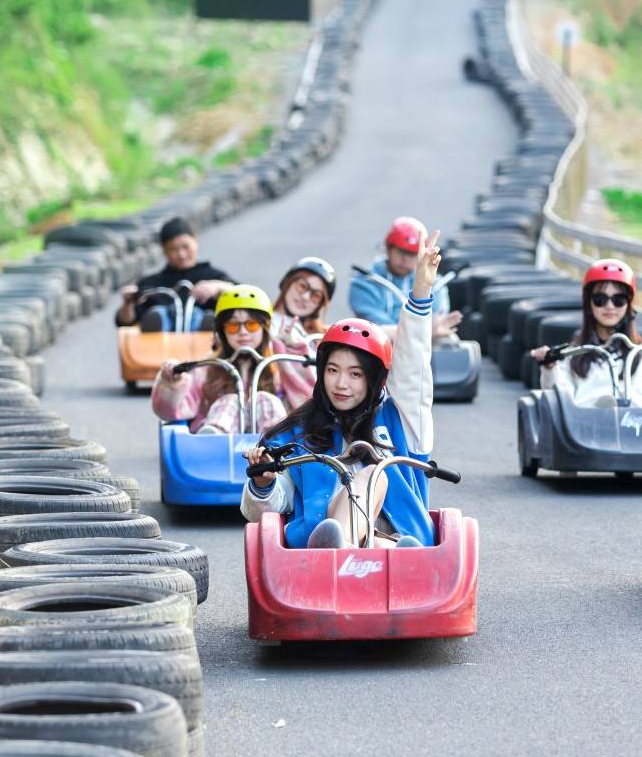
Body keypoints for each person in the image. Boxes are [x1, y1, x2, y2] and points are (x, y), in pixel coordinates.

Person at [242, 228, 443, 549]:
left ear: (374, 379)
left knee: (375, 484)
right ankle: (341, 546)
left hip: (393, 542)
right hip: (317, 550)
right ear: (321, 374)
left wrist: (421, 291)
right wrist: (263, 483)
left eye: (355, 374)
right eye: (333, 371)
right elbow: (262, 513)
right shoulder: (297, 434)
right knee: (364, 479)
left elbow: (412, 369)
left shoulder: (400, 422)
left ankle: (348, 549)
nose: (341, 383)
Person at [529, 258, 642, 405]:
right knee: (599, 402)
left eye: (618, 299)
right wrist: (549, 367)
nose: (610, 306)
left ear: (629, 304)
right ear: (589, 303)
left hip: (638, 428)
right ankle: (606, 409)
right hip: (587, 428)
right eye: (600, 299)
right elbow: (557, 397)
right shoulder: (573, 356)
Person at [152, 285, 286, 435]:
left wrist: (296, 348)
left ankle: (277, 442)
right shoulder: (207, 368)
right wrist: (172, 383)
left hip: (265, 449)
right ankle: (214, 435)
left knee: (265, 399)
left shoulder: (279, 364)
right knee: (230, 401)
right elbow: (169, 413)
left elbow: (305, 397)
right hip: (222, 446)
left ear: (265, 328)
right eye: (233, 326)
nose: (243, 332)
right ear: (222, 331)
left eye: (252, 325)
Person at [348, 215, 461, 342]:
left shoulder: (435, 283)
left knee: (450, 340)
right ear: (388, 248)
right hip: (379, 346)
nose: (405, 259)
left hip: (423, 348)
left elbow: (438, 322)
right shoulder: (365, 281)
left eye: (412, 254)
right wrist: (424, 331)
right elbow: (376, 329)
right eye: (401, 252)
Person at [115, 218, 232, 332]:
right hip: (160, 347)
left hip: (206, 345)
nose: (181, 255)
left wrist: (218, 287)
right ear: (164, 250)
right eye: (173, 249)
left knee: (203, 315)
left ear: (195, 242)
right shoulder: (150, 284)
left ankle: (203, 322)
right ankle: (161, 318)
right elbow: (125, 322)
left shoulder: (214, 276)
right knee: (160, 312)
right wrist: (128, 302)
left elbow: (246, 296)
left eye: (186, 247)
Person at [268, 256, 337, 410]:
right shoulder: (262, 321)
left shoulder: (321, 335)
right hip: (281, 405)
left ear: (320, 304)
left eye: (315, 295)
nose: (305, 297)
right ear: (288, 283)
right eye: (302, 286)